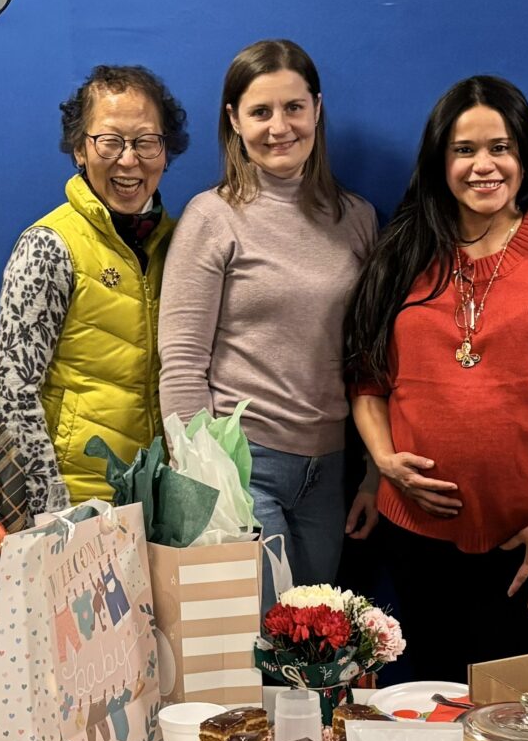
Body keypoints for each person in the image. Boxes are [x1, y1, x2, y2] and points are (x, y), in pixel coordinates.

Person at [344, 76, 528, 680]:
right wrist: (384, 462)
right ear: (439, 160)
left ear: (525, 156)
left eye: (500, 147)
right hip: (415, 532)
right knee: (434, 696)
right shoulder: (402, 253)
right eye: (463, 150)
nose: (483, 166)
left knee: (515, 713)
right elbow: (367, 380)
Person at [158, 41, 378, 589]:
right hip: (243, 466)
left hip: (330, 467)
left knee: (314, 641)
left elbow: (374, 356)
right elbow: (182, 361)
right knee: (258, 646)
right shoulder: (213, 217)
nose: (279, 127)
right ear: (234, 120)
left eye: (293, 108)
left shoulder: (357, 218)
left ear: (317, 110)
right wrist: (206, 479)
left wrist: (375, 472)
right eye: (260, 112)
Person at [0, 64, 189, 513]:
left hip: (163, 497)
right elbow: (15, 390)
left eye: (145, 142)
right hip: (79, 501)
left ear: (165, 151)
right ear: (80, 150)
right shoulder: (48, 245)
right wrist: (48, 504)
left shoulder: (183, 243)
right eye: (110, 141)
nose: (128, 160)